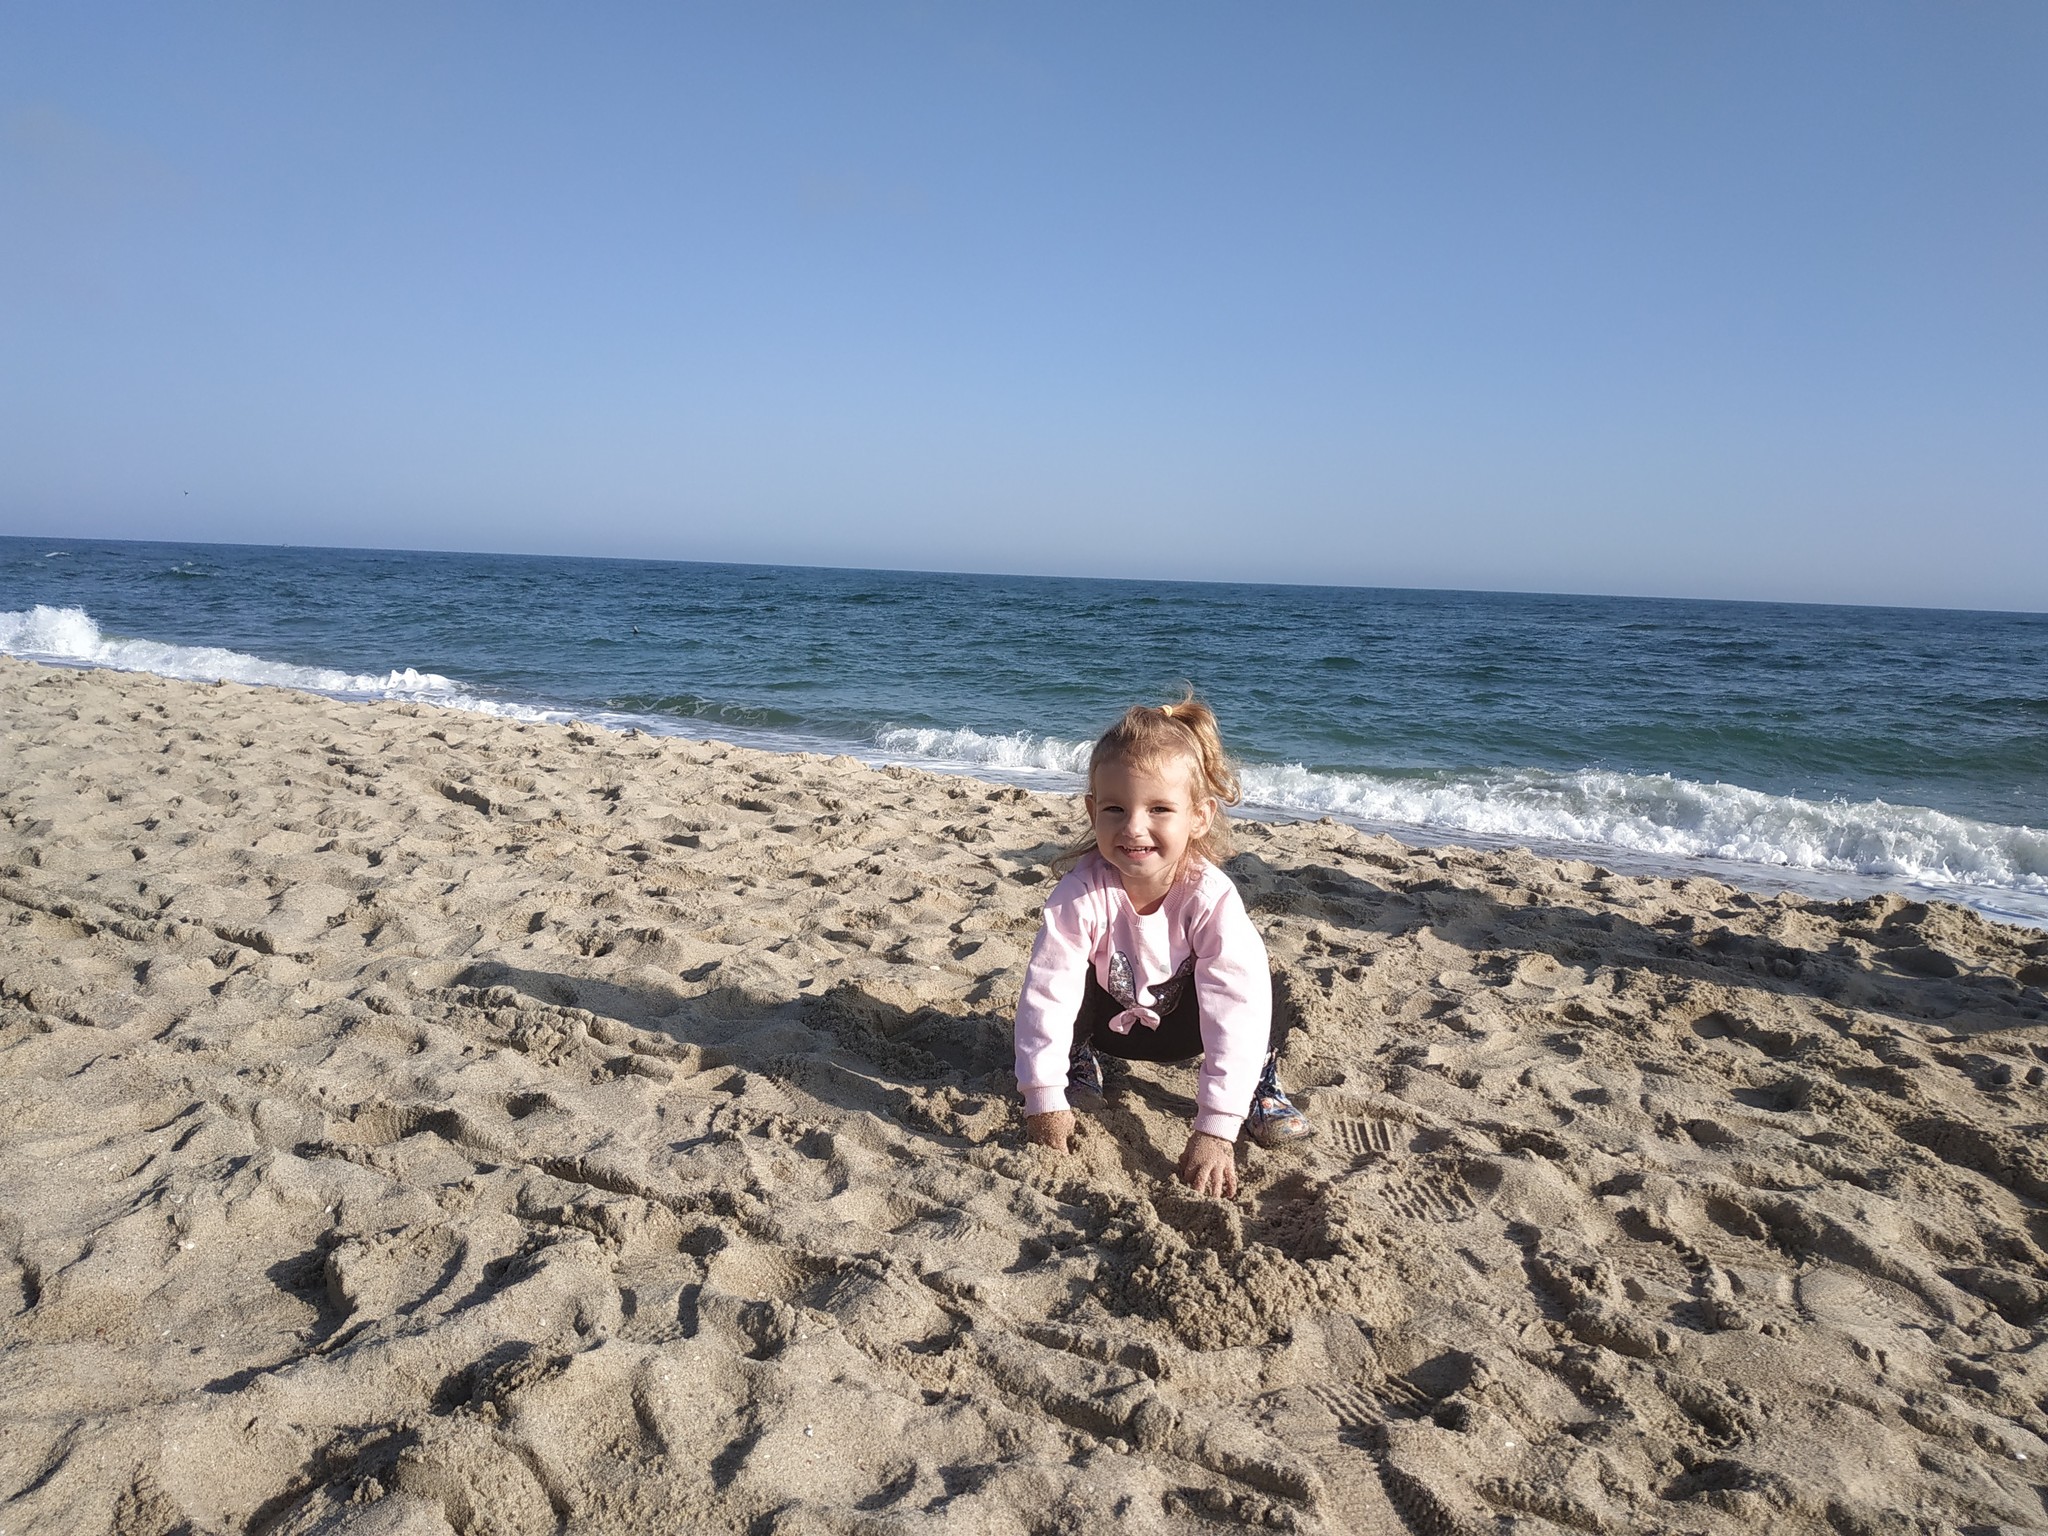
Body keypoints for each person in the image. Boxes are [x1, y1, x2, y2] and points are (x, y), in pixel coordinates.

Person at [1014, 695, 1311, 1197]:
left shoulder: (1209, 897)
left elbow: (1236, 1010)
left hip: (1187, 1028)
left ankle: (1256, 1081)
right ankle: (1078, 1059)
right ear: (1092, 810)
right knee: (1065, 971)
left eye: (1158, 809)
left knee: (1253, 982)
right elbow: (1046, 992)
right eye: (1115, 808)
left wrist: (1216, 1130)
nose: (1133, 827)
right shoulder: (1081, 892)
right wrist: (1044, 1099)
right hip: (1112, 1026)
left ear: (1198, 816)